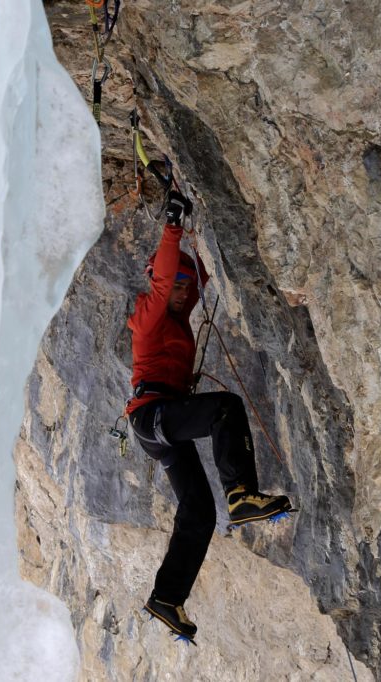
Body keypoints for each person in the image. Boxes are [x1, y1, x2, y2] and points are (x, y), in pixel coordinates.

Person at [126, 190, 292, 641]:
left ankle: (166, 597)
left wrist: (201, 235)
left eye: (186, 287)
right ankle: (241, 495)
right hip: (153, 414)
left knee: (198, 512)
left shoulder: (180, 317)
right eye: (175, 286)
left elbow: (194, 275)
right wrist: (173, 224)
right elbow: (165, 282)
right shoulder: (150, 318)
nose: (182, 292)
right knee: (225, 409)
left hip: (161, 424)